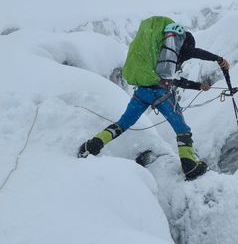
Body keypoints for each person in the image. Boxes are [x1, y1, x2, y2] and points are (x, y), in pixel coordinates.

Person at [78, 16, 229, 180]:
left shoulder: (158, 57)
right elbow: (194, 53)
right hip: (161, 93)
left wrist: (198, 86)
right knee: (182, 130)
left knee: (123, 123)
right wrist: (219, 59)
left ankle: (93, 144)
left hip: (142, 91)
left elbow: (174, 80)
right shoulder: (180, 47)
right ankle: (190, 166)